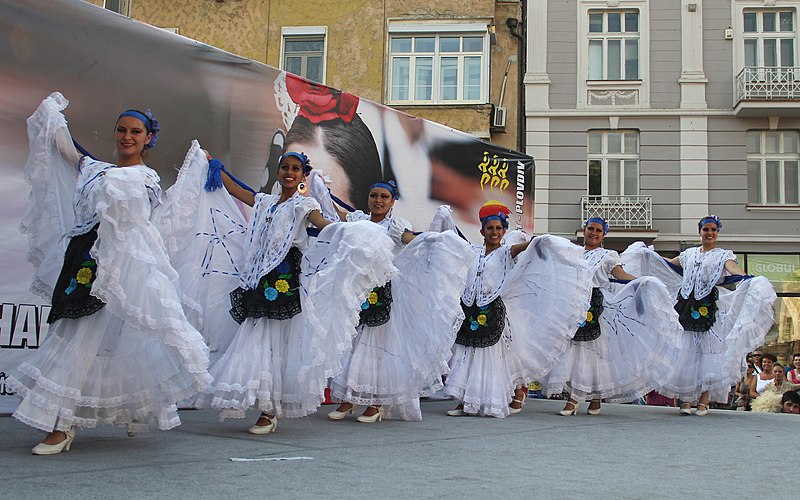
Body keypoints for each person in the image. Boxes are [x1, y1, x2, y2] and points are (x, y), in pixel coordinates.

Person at [8, 93, 212, 455]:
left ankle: (62, 424)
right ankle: (117, 412)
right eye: (121, 130)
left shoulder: (145, 179)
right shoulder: (96, 170)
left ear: (148, 138)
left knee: (88, 340)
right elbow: (68, 152)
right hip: (82, 262)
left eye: (136, 131)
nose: (127, 137)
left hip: (117, 269)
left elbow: (133, 218)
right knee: (94, 339)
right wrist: (54, 117)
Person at [184, 149, 396, 434]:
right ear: (279, 171)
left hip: (285, 282)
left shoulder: (303, 205)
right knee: (255, 340)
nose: (289, 172)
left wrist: (351, 233)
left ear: (302, 176)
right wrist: (212, 164)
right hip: (259, 280)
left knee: (273, 344)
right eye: (285, 167)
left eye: (295, 169)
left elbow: (323, 225)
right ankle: (265, 406)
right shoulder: (266, 202)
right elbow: (237, 189)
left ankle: (269, 410)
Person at [327, 181, 472, 422]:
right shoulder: (358, 221)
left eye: (384, 196)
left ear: (393, 201)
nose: (378, 200)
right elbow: (335, 217)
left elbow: (411, 239)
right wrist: (321, 190)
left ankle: (376, 402)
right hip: (359, 292)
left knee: (377, 350)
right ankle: (350, 398)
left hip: (384, 295)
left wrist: (434, 239)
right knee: (353, 345)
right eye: (374, 195)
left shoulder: (394, 226)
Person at [443, 202, 591, 418]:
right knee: (468, 354)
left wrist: (541, 240)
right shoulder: (473, 251)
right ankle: (465, 401)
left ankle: (491, 400)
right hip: (471, 310)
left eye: (498, 228)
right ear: (482, 230)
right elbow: (454, 243)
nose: (494, 232)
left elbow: (529, 246)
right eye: (490, 228)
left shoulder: (506, 252)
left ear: (504, 231)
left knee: (491, 357)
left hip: (494, 313)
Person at [622, 215, 777, 416]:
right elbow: (671, 264)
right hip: (686, 305)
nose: (709, 233)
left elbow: (733, 271)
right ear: (700, 232)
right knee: (685, 354)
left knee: (708, 355)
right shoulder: (689, 254)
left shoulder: (724, 255)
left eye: (713, 229)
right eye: (706, 230)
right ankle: (686, 399)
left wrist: (749, 279)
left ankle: (704, 400)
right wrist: (650, 256)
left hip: (709, 308)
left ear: (717, 232)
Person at [544, 218, 681, 416]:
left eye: (598, 230)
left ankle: (582, 400)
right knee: (573, 353)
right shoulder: (574, 252)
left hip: (597, 309)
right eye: (590, 229)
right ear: (584, 230)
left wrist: (642, 282)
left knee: (594, 355)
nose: (593, 233)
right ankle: (587, 399)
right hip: (574, 305)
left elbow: (620, 274)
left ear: (603, 234)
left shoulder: (608, 255)